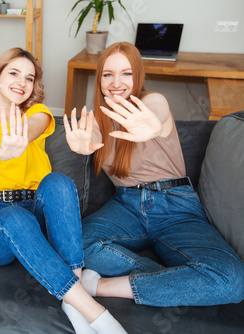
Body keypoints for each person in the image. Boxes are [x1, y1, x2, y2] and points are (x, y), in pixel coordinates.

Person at [0, 47, 126, 334]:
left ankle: (72, 299)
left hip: (38, 212)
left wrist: (16, 139)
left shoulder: (38, 113)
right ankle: (94, 312)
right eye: (13, 73)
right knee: (14, 218)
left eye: (29, 78)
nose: (23, 82)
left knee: (57, 181)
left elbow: (29, 129)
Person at [64, 42, 244, 307]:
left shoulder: (153, 101)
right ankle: (175, 281)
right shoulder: (97, 119)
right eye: (108, 74)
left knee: (231, 280)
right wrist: (82, 145)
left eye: (127, 73)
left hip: (176, 206)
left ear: (138, 76)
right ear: (99, 78)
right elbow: (91, 136)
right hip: (126, 206)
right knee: (71, 246)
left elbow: (156, 116)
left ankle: (98, 286)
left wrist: (153, 126)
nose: (117, 82)